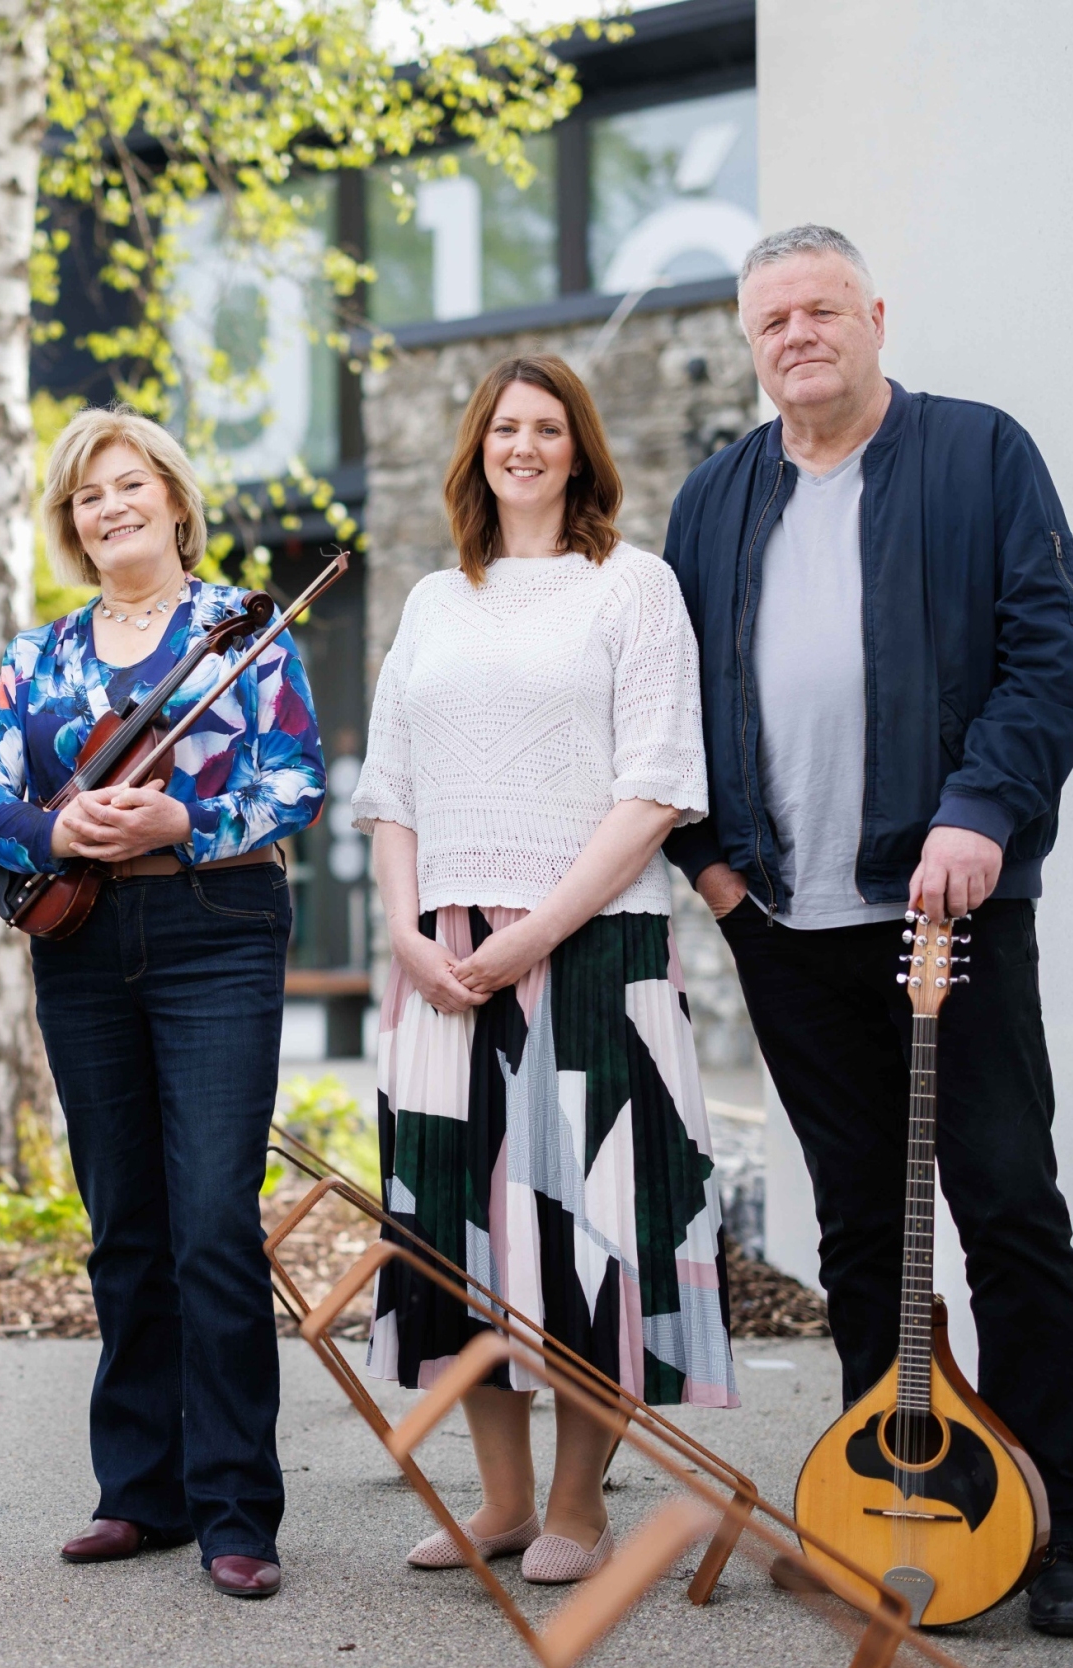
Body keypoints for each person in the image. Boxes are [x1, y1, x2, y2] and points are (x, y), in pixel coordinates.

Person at [662, 224, 1073, 1637]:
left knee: (1006, 1209)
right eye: (769, 322)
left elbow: (1054, 661)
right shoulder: (716, 499)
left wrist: (979, 813)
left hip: (951, 915)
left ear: (871, 315)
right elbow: (667, 710)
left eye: (818, 310)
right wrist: (719, 877)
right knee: (863, 1228)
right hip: (789, 926)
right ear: (753, 346)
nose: (795, 336)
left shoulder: (980, 458)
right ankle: (892, 1496)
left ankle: (1058, 1526)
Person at [352, 357, 731, 1586]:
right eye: (504, 427)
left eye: (547, 429)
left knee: (592, 1232)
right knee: (462, 1237)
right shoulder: (430, 600)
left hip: (593, 950)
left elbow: (660, 784)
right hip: (442, 959)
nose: (524, 446)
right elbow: (391, 787)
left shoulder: (633, 588)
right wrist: (410, 929)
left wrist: (532, 933)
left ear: (579, 452)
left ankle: (580, 1506)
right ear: (477, 448)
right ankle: (501, 1504)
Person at [0, 406, 324, 1599]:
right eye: (85, 498)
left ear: (172, 496)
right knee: (122, 1216)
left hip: (214, 925)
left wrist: (185, 819)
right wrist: (55, 822)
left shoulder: (244, 633)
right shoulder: (40, 654)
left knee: (212, 1216)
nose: (108, 509)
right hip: (83, 936)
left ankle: (235, 1506)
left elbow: (296, 776)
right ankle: (140, 1490)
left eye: (127, 487)